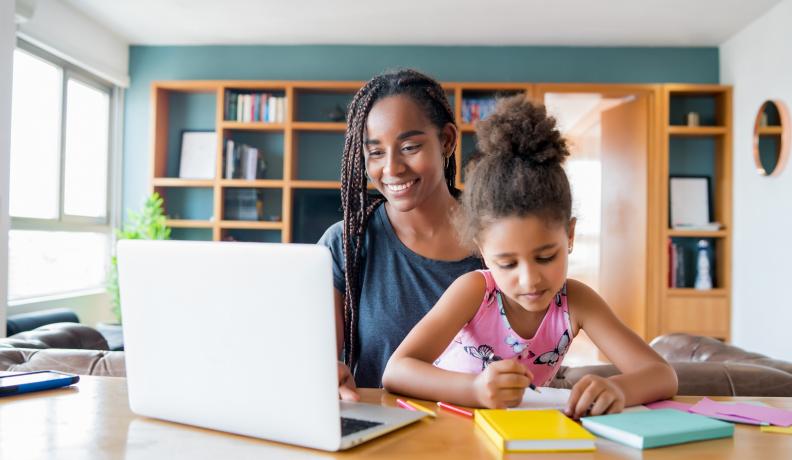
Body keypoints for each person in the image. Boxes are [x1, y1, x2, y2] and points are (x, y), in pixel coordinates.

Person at [382, 96, 678, 418]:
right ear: (482, 250)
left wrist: (619, 389)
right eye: (507, 264)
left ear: (569, 236)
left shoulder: (576, 301)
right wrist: (475, 390)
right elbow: (396, 371)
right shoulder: (475, 292)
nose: (529, 279)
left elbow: (663, 375)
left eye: (546, 257)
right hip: (449, 431)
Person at [318, 69, 482, 399]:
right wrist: (324, 375)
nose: (391, 168)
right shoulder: (345, 245)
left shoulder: (496, 238)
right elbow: (314, 357)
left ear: (447, 140)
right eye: (375, 152)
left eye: (409, 147)